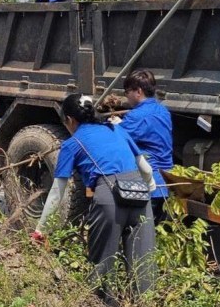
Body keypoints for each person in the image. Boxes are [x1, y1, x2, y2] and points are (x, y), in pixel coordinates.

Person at [33, 94, 155, 296]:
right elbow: (147, 170)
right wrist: (148, 190)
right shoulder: (117, 129)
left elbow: (57, 192)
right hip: (140, 194)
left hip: (110, 197)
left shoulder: (73, 144)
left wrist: (40, 229)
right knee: (143, 269)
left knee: (102, 269)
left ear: (70, 120)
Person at [115, 69, 172, 224]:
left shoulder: (136, 116)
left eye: (127, 92)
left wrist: (116, 126)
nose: (126, 96)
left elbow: (117, 140)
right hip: (166, 181)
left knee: (139, 235)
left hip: (148, 183)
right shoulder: (163, 110)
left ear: (138, 91)